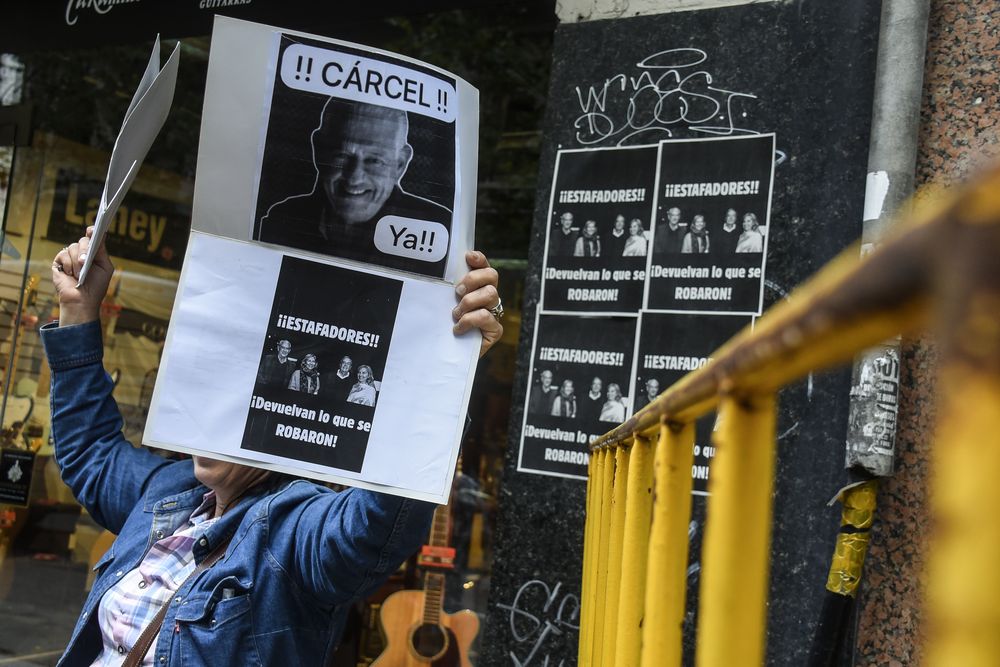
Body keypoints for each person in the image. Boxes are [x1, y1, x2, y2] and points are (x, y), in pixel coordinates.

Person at [46, 230, 503, 666]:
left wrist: (449, 371)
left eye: (231, 406)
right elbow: (91, 452)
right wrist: (78, 310)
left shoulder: (296, 531)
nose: (206, 420)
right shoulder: (170, 491)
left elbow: (374, 525)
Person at [256, 98, 451, 276]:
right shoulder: (283, 221)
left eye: (374, 160)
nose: (354, 178)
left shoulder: (441, 235)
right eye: (342, 156)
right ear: (318, 151)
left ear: (400, 164)